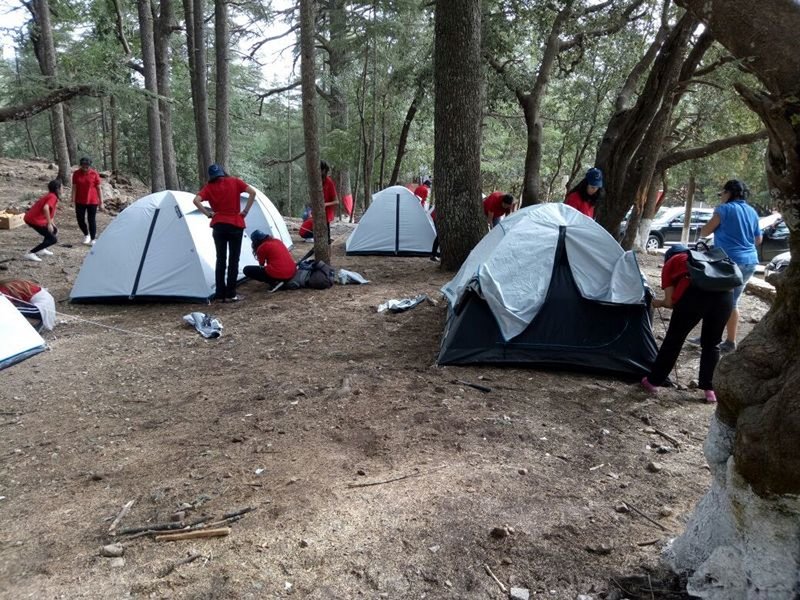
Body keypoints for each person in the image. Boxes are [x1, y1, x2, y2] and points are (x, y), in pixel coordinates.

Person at [640, 245, 733, 403]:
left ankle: (653, 381)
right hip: (725, 298)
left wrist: (658, 303)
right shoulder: (710, 260)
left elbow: (669, 302)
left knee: (674, 340)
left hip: (694, 297)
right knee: (712, 343)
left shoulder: (672, 262)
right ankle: (709, 390)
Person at [692, 179, 761, 353]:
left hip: (729, 263)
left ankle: (712, 338)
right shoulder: (752, 211)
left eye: (721, 193)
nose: (721, 197)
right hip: (750, 261)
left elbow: (705, 231)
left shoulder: (723, 209)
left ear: (729, 193)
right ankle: (728, 341)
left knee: (715, 300)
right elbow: (758, 240)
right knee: (731, 302)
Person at [193, 164, 256, 302]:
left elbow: (196, 200)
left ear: (211, 176)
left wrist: (208, 214)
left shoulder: (209, 188)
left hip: (218, 225)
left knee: (220, 259)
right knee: (234, 259)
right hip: (235, 224)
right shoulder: (235, 181)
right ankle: (231, 293)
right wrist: (245, 211)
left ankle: (220, 292)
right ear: (223, 172)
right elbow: (252, 192)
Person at [23, 179, 61, 262]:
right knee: (53, 239)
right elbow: (46, 208)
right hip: (33, 219)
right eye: (61, 188)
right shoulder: (52, 197)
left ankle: (42, 249)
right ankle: (30, 253)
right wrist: (49, 224)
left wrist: (52, 224)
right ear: (57, 189)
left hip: (34, 218)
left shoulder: (51, 195)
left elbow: (51, 213)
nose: (62, 190)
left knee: (54, 231)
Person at [71, 157, 104, 245]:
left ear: (89, 165)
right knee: (80, 219)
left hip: (92, 201)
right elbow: (74, 187)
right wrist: (72, 200)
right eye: (83, 165)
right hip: (79, 200)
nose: (85, 167)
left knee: (91, 220)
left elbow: (99, 188)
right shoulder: (76, 173)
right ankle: (86, 235)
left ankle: (93, 239)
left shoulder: (94, 173)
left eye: (87, 165)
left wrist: (101, 202)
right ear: (80, 165)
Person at [321, 161, 339, 243]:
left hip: (326, 214)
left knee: (326, 239)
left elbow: (336, 201)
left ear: (324, 170)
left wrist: (325, 204)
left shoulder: (329, 183)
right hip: (318, 214)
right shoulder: (316, 181)